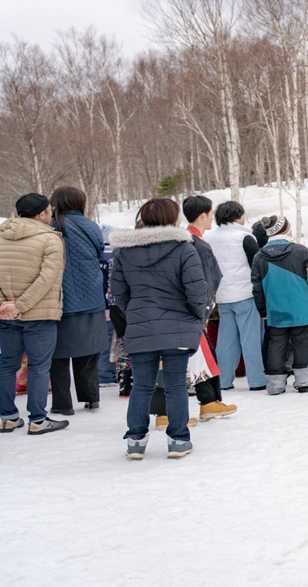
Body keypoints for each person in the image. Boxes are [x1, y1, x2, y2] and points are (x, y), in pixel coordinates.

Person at [110, 198, 208, 458]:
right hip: (178, 325)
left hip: (141, 327)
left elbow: (119, 292)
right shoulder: (184, 249)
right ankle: (177, 440)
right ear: (173, 219)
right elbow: (197, 292)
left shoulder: (124, 251)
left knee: (142, 386)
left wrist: (134, 314)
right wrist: (197, 319)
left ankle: (135, 441)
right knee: (176, 385)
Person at [0, 193, 67, 435]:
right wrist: (21, 305)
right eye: (49, 210)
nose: (51, 214)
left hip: (6, 314)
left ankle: (6, 417)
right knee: (39, 366)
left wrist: (5, 305)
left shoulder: (1, 235)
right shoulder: (50, 239)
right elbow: (48, 279)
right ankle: (38, 419)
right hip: (39, 314)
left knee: (7, 365)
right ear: (41, 214)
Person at [251, 215, 308, 395]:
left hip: (274, 308)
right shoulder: (299, 250)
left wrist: (262, 310)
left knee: (276, 344)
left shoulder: (259, 256)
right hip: (300, 307)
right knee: (302, 343)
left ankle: (275, 385)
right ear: (285, 230)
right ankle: (303, 382)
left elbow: (257, 287)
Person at [47, 186, 108, 417]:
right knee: (88, 350)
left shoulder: (49, 227)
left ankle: (63, 404)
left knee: (58, 355)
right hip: (91, 296)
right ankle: (91, 398)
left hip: (59, 299)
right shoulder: (91, 226)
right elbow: (100, 252)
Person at [180, 195, 237, 421]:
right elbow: (208, 279)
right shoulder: (198, 245)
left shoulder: (185, 240)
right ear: (203, 215)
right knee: (201, 355)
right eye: (211, 214)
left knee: (204, 354)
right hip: (195, 310)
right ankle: (209, 402)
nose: (212, 218)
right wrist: (204, 310)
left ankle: (210, 401)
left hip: (188, 310)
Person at [205, 200, 266, 392]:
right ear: (238, 216)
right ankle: (256, 380)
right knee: (251, 340)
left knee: (226, 340)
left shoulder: (209, 237)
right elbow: (257, 265)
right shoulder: (244, 237)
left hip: (222, 295)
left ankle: (224, 381)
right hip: (245, 293)